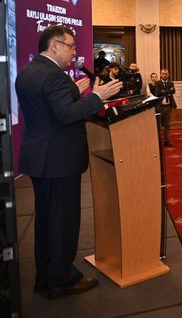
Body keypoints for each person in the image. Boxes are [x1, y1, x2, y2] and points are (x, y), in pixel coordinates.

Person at [16, 25, 123, 299]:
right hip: (59, 160)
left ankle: (45, 276)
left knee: (47, 221)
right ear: (54, 46)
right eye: (71, 46)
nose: (74, 52)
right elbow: (65, 115)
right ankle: (61, 280)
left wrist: (73, 91)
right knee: (62, 222)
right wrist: (98, 97)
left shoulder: (29, 71)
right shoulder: (54, 76)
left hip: (41, 158)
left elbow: (50, 109)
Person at [155, 69, 177, 146]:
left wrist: (163, 91)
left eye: (166, 74)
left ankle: (167, 139)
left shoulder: (171, 83)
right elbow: (158, 93)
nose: (165, 75)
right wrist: (168, 91)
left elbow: (173, 91)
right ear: (161, 74)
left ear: (168, 74)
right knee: (159, 125)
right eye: (163, 74)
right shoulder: (157, 83)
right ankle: (159, 141)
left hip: (168, 106)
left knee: (167, 124)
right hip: (160, 107)